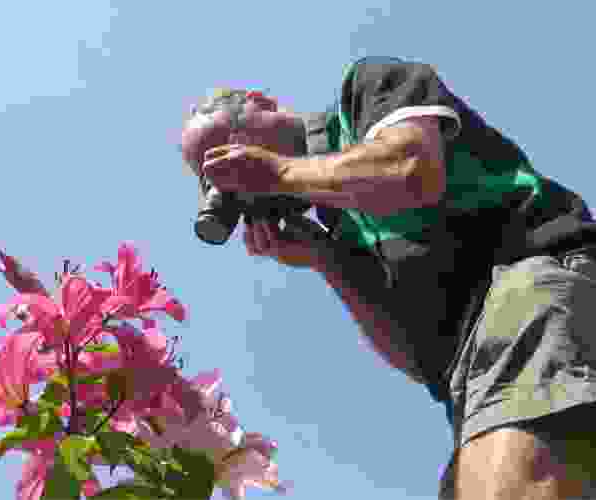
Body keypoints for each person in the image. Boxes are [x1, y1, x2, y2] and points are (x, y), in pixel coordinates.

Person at [180, 56, 596, 499]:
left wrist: (280, 172)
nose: (234, 179)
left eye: (228, 149)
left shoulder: (367, 92)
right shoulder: (340, 224)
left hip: (532, 278)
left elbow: (412, 170)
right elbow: (419, 360)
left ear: (262, 102)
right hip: (470, 373)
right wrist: (326, 259)